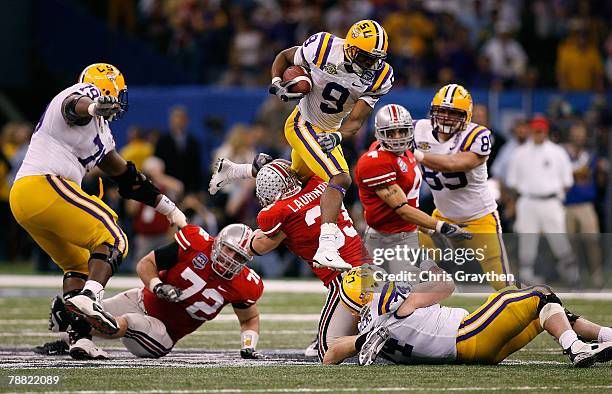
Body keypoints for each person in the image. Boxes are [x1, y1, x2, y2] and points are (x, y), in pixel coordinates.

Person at [10, 63, 187, 357]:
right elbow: (73, 107)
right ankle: (91, 297)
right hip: (42, 185)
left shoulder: (103, 134)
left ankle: (79, 337)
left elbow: (129, 180)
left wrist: (168, 208)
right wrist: (93, 106)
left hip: (29, 202)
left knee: (79, 265)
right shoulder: (82, 97)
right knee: (115, 237)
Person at [210, 20, 393, 271]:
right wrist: (276, 81)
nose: (370, 64)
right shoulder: (324, 46)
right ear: (350, 48)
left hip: (328, 131)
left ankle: (236, 171)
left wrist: (338, 136)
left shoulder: (381, 75)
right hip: (303, 123)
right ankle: (327, 246)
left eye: (374, 59)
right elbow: (285, 57)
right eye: (364, 57)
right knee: (340, 179)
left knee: (293, 179)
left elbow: (357, 120)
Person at [37, 224, 265, 359]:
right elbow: (146, 264)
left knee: (127, 321)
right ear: (218, 242)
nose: (230, 258)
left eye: (239, 257)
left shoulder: (245, 284)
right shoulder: (195, 243)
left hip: (163, 333)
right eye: (229, 250)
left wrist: (248, 346)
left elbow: (250, 318)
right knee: (89, 310)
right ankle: (70, 338)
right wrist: (157, 285)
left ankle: (80, 323)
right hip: (142, 299)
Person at [323, 266, 612, 367]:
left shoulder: (369, 330)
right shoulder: (393, 303)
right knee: (540, 294)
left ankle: (605, 336)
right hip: (470, 332)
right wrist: (428, 266)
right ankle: (576, 348)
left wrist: (362, 340)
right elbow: (446, 286)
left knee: (544, 313)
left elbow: (331, 353)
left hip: (472, 353)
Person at [247, 160, 368, 361]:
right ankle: (368, 325)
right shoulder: (320, 181)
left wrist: (245, 238)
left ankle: (370, 335)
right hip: (369, 268)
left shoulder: (278, 213)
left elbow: (258, 247)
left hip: (346, 283)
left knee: (326, 352)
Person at [412, 84, 514, 290]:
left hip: (480, 219)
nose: (446, 117)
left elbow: (454, 164)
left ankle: (536, 311)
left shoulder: (478, 135)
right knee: (406, 249)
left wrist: (416, 155)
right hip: (442, 218)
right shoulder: (418, 129)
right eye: (442, 111)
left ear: (466, 116)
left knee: (503, 285)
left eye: (453, 113)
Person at [354, 104, 471, 275]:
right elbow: (402, 209)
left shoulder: (407, 153)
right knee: (378, 294)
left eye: (402, 131)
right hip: (383, 238)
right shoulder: (375, 162)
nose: (397, 137)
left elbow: (410, 203)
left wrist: (432, 230)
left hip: (407, 234)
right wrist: (441, 227)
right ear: (379, 133)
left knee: (437, 284)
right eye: (391, 132)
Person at [507, 116, 577, 285]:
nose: (538, 134)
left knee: (559, 239)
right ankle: (526, 276)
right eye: (535, 130)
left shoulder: (557, 152)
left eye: (541, 131)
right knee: (527, 240)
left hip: (551, 201)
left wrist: (551, 192)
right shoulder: (519, 153)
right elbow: (512, 181)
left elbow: (567, 181)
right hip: (528, 201)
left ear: (545, 131)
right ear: (531, 131)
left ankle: (572, 275)